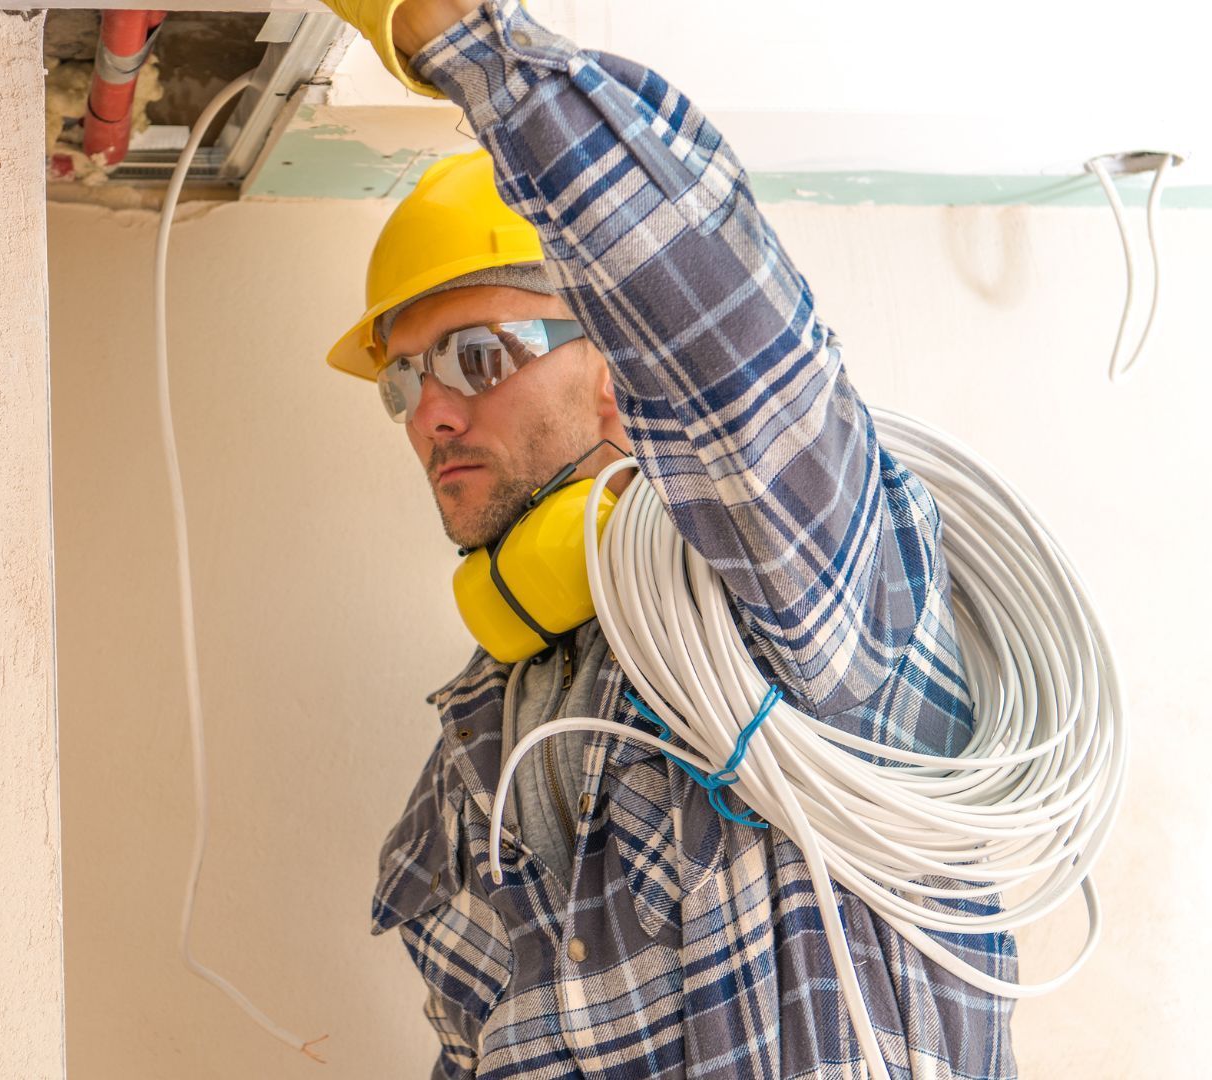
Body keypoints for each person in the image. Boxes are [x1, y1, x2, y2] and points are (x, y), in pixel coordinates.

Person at [318, 0, 1017, 1076]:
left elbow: (720, 329)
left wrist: (451, 28)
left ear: (618, 376)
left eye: (476, 358)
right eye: (404, 380)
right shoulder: (480, 741)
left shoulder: (801, 594)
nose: (431, 415)